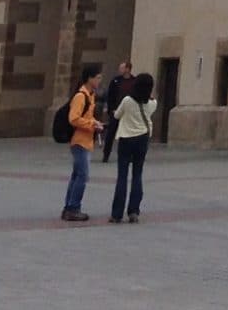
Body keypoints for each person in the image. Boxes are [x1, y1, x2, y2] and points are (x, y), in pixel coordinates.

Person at [109, 70, 158, 222]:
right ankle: (134, 211)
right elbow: (151, 106)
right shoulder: (152, 103)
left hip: (126, 138)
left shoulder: (128, 100)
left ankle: (117, 214)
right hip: (142, 139)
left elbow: (117, 115)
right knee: (137, 175)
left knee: (122, 176)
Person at [59, 63, 101, 222]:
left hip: (86, 140)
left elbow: (87, 116)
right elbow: (74, 118)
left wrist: (95, 123)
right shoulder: (80, 96)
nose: (99, 81)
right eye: (97, 78)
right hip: (79, 141)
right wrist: (91, 124)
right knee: (82, 176)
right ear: (89, 78)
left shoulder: (90, 95)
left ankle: (68, 207)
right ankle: (73, 208)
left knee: (77, 175)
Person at [98, 60, 133, 159]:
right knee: (110, 133)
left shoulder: (134, 81)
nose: (119, 70)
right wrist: (111, 109)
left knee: (128, 135)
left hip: (128, 113)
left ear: (127, 69)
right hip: (116, 111)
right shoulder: (115, 80)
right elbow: (110, 96)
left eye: (122, 68)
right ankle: (106, 154)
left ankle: (128, 155)